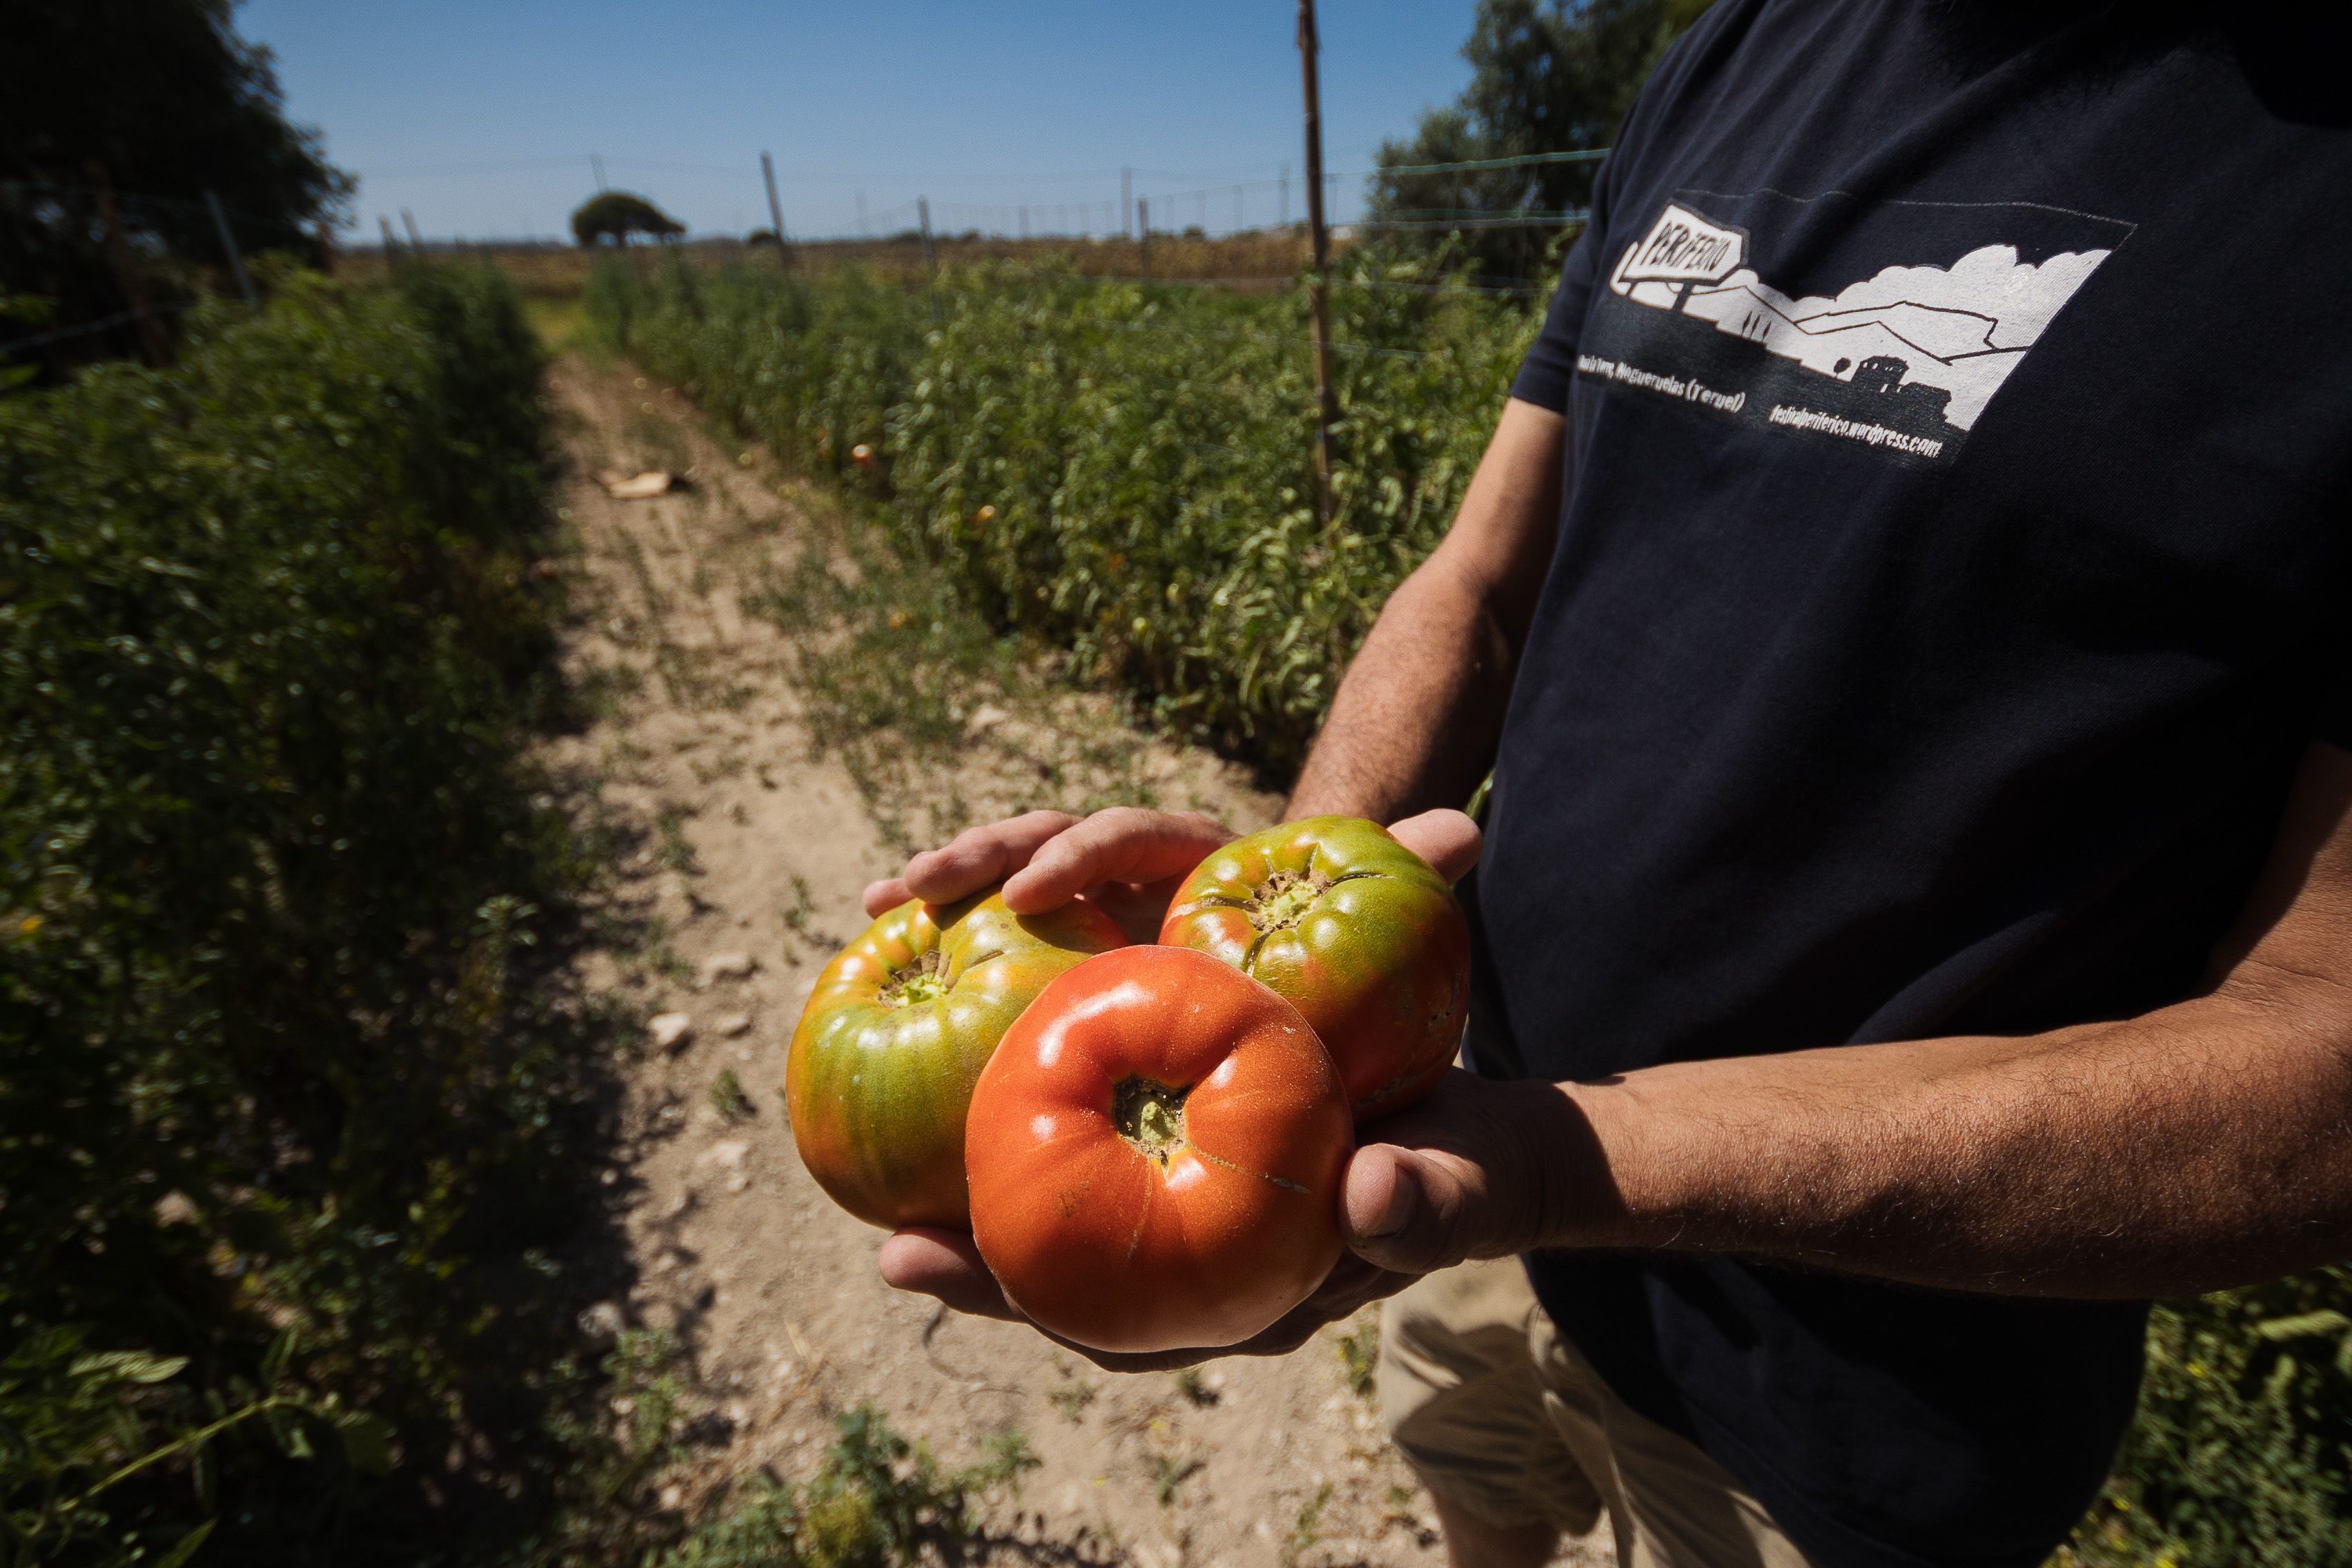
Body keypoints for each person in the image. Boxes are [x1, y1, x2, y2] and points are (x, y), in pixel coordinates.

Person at [866, 2, 2352, 1564]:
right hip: (1465, 1136)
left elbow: (2323, 1056)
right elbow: (1485, 581)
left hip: (1856, 1396)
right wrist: (1259, 970)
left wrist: (1564, 1161)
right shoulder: (1750, 44)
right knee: (1478, 1498)